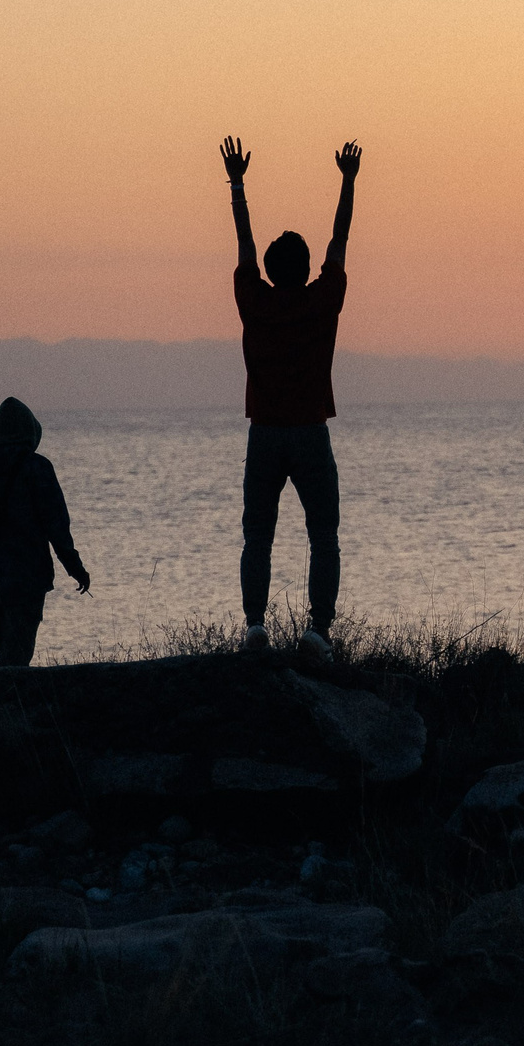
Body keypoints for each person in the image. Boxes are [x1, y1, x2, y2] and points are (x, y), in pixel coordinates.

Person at [220, 135, 360, 660]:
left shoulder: (254, 301)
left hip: (264, 434)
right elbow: (340, 241)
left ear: (273, 273)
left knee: (258, 535)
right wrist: (347, 183)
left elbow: (244, 248)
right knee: (323, 536)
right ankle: (317, 632)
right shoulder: (322, 301)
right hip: (309, 433)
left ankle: (255, 626)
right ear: (304, 271)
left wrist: (237, 185)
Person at [0, 397, 91, 667]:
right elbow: (57, 524)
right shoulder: (37, 467)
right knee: (19, 650)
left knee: (6, 644)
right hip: (28, 573)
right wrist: (75, 567)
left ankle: (7, 700)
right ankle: (11, 702)